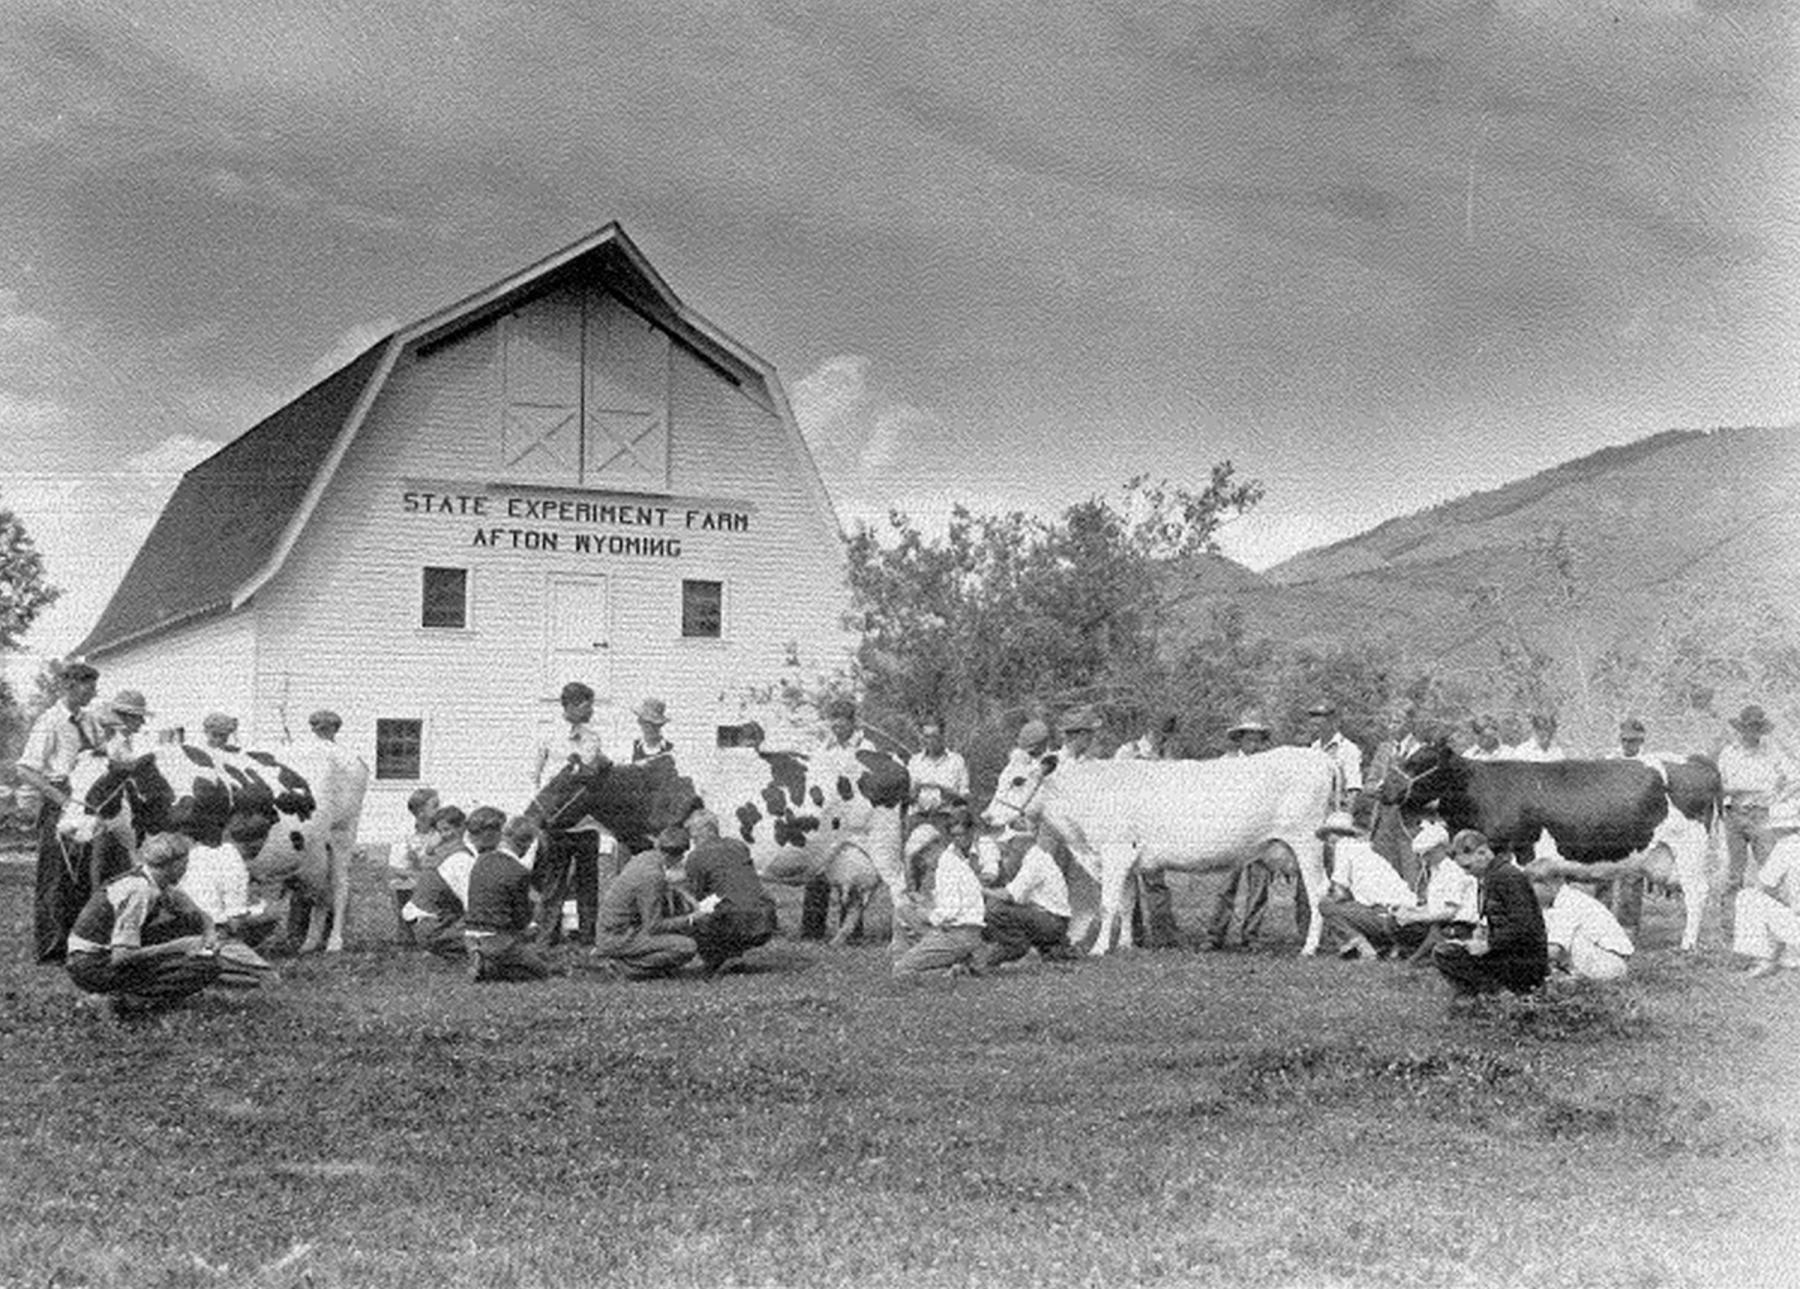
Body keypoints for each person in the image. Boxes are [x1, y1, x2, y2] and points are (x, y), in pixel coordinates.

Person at [64, 833, 223, 1014]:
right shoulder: (138, 891)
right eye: (185, 865)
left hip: (98, 956)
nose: (186, 870)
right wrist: (178, 946)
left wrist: (210, 936)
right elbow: (121, 956)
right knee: (205, 967)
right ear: (176, 865)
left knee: (187, 924)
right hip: (90, 965)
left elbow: (200, 915)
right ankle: (119, 1002)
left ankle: (138, 996)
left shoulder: (156, 882)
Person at [15, 662, 104, 963]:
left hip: (88, 802)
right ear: (69, 686)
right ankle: (52, 949)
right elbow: (25, 769)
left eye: (94, 686)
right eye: (89, 687)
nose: (94, 692)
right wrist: (61, 800)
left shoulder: (90, 721)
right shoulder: (50, 722)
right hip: (61, 802)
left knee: (81, 875)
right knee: (55, 877)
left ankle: (77, 943)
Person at [530, 681, 611, 947]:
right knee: (554, 879)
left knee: (588, 881)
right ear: (572, 706)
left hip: (586, 822)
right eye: (587, 706)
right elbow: (534, 776)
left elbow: (591, 777)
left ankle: (589, 939)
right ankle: (547, 938)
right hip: (556, 822)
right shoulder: (547, 734)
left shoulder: (592, 738)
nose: (591, 712)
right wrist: (541, 813)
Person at [1431, 829, 1549, 998]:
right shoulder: (1494, 876)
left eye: (1467, 866)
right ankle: (1482, 996)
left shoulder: (1506, 876)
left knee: (1445, 953)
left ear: (1482, 852)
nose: (1466, 872)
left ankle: (1501, 995)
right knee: (1446, 950)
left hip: (1524, 961)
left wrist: (1490, 944)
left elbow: (1525, 925)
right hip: (1511, 953)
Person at [590, 825, 718, 979]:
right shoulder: (653, 877)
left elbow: (665, 889)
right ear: (679, 856)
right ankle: (624, 967)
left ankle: (628, 960)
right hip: (619, 936)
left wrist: (687, 900)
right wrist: (691, 918)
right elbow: (654, 926)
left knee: (677, 933)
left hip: (614, 930)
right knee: (687, 947)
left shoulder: (645, 858)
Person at [802, 696, 875, 939]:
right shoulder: (823, 748)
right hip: (826, 818)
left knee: (850, 873)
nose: (836, 726)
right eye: (833, 721)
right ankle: (812, 930)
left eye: (841, 721)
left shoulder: (866, 748)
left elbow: (869, 783)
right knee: (818, 870)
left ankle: (851, 931)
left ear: (852, 722)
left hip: (854, 818)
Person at [893, 807, 991, 977]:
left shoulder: (946, 867)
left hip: (957, 934)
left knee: (901, 971)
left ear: (936, 845)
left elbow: (949, 913)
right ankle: (963, 960)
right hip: (970, 932)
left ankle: (953, 970)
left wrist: (926, 913)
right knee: (904, 910)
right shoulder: (954, 861)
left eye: (923, 855)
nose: (923, 862)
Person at [1207, 711, 1276, 951]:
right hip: (1232, 830)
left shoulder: (1270, 766)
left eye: (1258, 739)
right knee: (1226, 884)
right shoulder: (1226, 763)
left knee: (1259, 886)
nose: (1254, 744)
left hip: (1260, 831)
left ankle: (1251, 935)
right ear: (1240, 740)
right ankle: (1216, 933)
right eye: (1249, 739)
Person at [1314, 810, 1424, 960]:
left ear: (1338, 835)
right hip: (1406, 916)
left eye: (1330, 835)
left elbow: (1339, 893)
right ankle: (1386, 946)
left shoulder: (1344, 846)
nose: (1328, 841)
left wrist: (1328, 891)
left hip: (1387, 915)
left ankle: (1363, 949)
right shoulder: (1367, 851)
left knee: (1326, 904)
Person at [1717, 704, 1787, 937]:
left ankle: (1771, 925)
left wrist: (1775, 793)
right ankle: (1730, 925)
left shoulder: (1772, 753)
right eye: (1748, 728)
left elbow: (1789, 778)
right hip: (1735, 815)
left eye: (1757, 728)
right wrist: (1744, 789)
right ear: (1741, 729)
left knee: (1769, 871)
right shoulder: (1729, 753)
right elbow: (1721, 786)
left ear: (1761, 730)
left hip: (1761, 816)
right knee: (1735, 872)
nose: (1752, 732)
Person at [682, 811, 778, 976]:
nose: (692, 840)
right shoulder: (739, 846)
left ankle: (716, 959)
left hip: (733, 923)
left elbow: (696, 896)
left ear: (705, 830)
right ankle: (734, 955)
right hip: (766, 921)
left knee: (690, 914)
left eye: (693, 835)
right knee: (732, 901)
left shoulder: (696, 856)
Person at [464, 809, 553, 982]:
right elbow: (521, 919)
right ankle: (490, 968)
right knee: (540, 972)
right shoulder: (519, 872)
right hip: (498, 939)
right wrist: (533, 925)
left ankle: (482, 960)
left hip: (470, 935)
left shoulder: (480, 861)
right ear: (526, 845)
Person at [179, 811, 281, 948]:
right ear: (259, 843)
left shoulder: (201, 850)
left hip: (184, 918)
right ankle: (232, 946)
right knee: (271, 914)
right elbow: (235, 920)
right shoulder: (237, 866)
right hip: (210, 927)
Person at [979, 825, 1072, 968]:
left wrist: (980, 889)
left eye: (1011, 843)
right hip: (1051, 918)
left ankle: (1017, 946)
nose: (1009, 848)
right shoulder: (1034, 858)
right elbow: (1018, 896)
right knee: (998, 907)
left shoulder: (1035, 861)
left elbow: (1009, 895)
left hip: (1053, 921)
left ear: (1022, 842)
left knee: (995, 909)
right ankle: (1043, 948)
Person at [1530, 864, 1634, 982]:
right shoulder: (1559, 902)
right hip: (1603, 958)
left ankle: (1571, 977)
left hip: (1610, 961)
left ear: (1549, 886)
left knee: (1567, 940)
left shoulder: (1569, 903)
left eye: (1530, 890)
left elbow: (1554, 950)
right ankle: (1564, 976)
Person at [1732, 803, 1800, 978]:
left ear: (1777, 829)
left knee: (1747, 897)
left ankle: (1763, 960)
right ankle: (1790, 954)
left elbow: (1762, 885)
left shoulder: (1787, 847)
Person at [403, 821, 476, 961]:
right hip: (434, 926)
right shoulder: (461, 859)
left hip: (426, 924)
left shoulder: (440, 857)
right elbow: (472, 904)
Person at [386, 787, 442, 945]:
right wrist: (419, 876)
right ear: (420, 812)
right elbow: (395, 867)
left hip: (437, 880)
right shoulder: (405, 833)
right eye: (435, 806)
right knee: (401, 885)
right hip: (414, 880)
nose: (440, 810)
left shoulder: (442, 833)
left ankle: (434, 928)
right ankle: (407, 929)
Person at [1307, 701, 1364, 812]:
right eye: (1314, 721)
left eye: (1320, 721)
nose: (1316, 725)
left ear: (1333, 722)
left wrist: (1345, 818)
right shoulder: (1313, 748)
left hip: (1334, 812)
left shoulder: (1347, 749)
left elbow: (1353, 788)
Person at [907, 717, 970, 816]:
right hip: (919, 816)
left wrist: (946, 792)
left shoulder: (956, 761)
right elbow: (907, 798)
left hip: (948, 818)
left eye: (935, 736)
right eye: (927, 737)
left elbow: (965, 797)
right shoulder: (915, 762)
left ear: (943, 736)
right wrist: (915, 790)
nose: (931, 741)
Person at [1114, 714, 1179, 762]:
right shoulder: (1128, 750)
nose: (1160, 738)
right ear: (1148, 731)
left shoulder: (1166, 755)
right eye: (1156, 733)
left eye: (1164, 736)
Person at [630, 697, 674, 763]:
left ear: (659, 726)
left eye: (653, 725)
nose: (648, 729)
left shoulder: (669, 750)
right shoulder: (635, 746)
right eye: (644, 723)